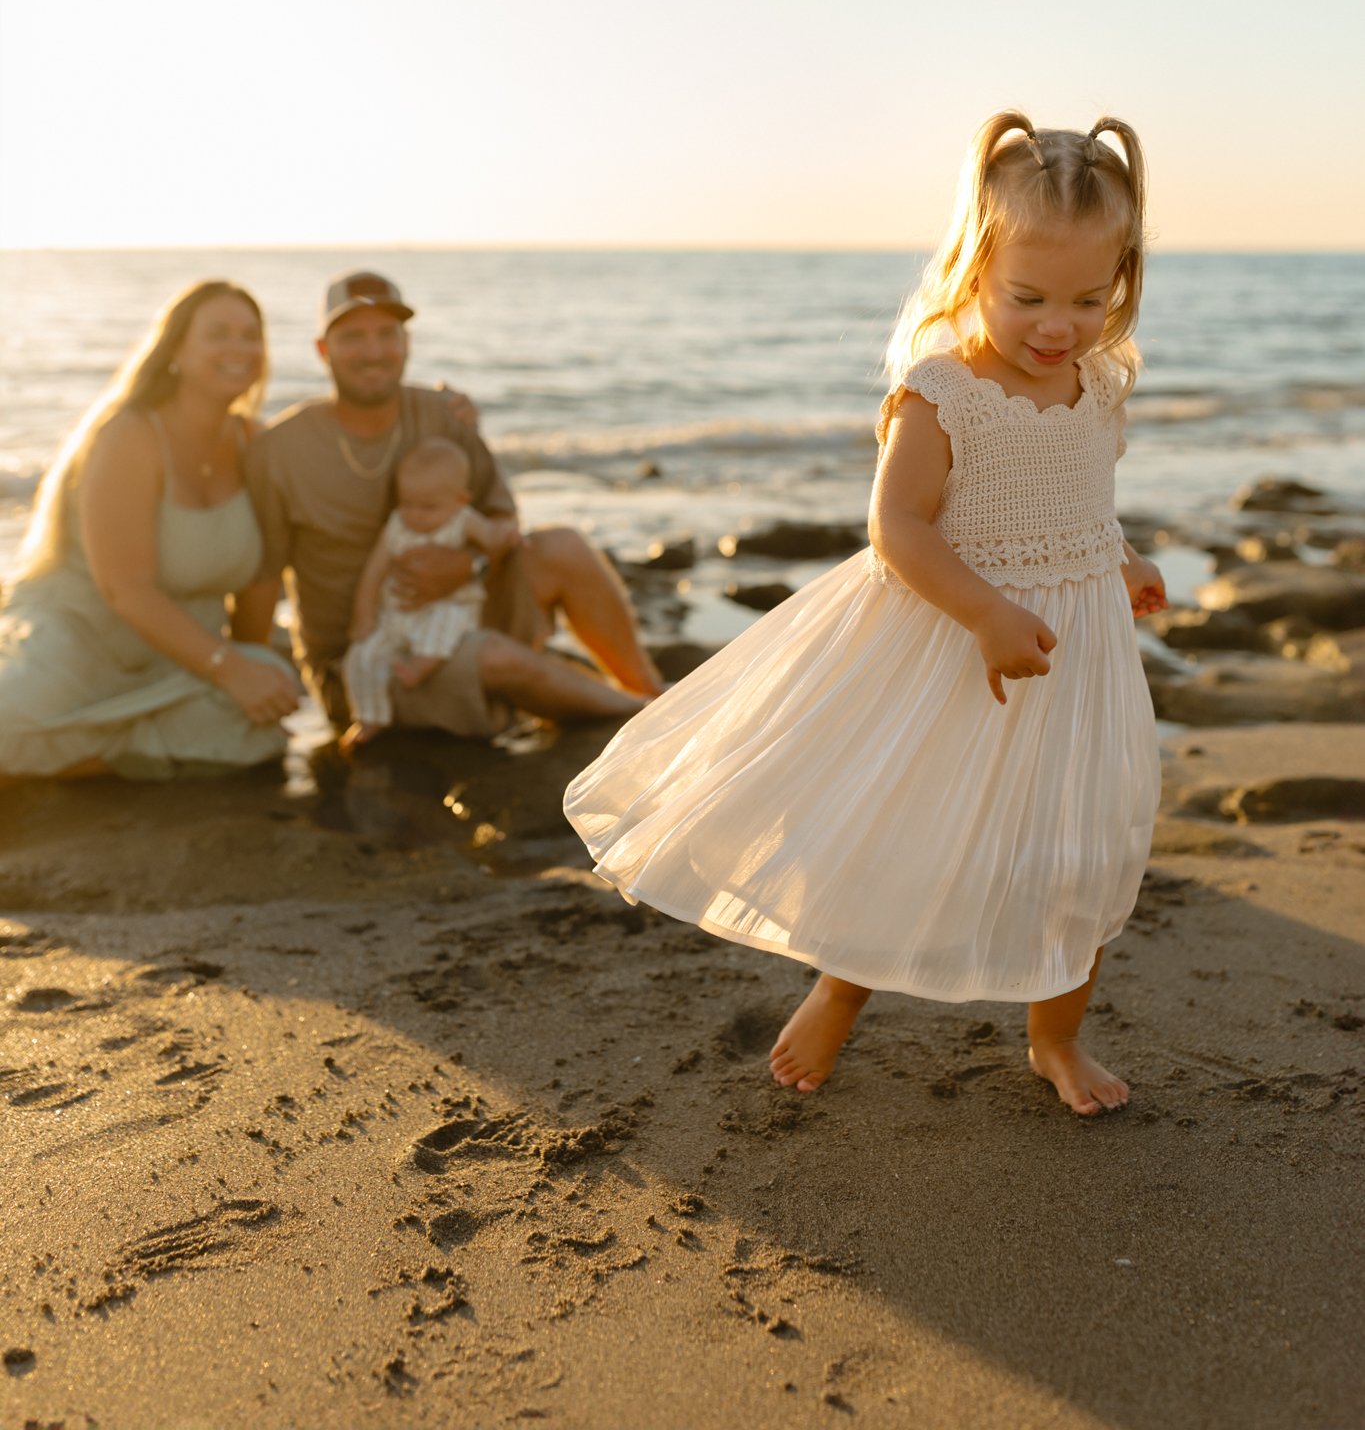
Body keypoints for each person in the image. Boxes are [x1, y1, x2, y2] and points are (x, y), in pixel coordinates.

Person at [565, 113, 1167, 1118]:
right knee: (909, 830)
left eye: (1087, 297)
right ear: (973, 265)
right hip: (953, 641)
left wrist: (1123, 555)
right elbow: (897, 527)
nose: (1056, 323)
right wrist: (984, 610)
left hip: (1075, 652)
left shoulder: (1099, 381)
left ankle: (1055, 1036)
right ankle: (842, 985)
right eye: (1027, 296)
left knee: (1081, 846)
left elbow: (1081, 501)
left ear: (1122, 280)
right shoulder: (943, 393)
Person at [240, 270, 663, 741]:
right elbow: (260, 581)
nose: (374, 351)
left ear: (407, 342)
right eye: (353, 337)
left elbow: (503, 519)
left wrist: (469, 564)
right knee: (495, 657)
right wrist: (245, 680)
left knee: (563, 546)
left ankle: (652, 693)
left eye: (388, 334)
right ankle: (649, 719)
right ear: (323, 350)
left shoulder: (442, 415)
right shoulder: (282, 449)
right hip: (370, 657)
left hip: (458, 612)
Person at [0, 281, 300, 780]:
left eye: (251, 336)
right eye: (218, 334)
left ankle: (94, 749)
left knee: (266, 709)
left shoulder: (254, 441)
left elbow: (261, 576)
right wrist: (230, 670)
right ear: (176, 350)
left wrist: (250, 666)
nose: (239, 349)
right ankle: (119, 747)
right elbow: (126, 589)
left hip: (181, 652)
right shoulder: (130, 434)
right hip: (84, 639)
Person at [341, 437, 519, 750]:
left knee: (446, 623)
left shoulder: (462, 520)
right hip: (395, 614)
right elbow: (374, 571)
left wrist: (505, 535)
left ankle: (422, 666)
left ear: (460, 500)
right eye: (407, 504)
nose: (416, 515)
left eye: (428, 507)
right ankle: (371, 716)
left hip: (446, 606)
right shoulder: (397, 525)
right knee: (361, 657)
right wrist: (364, 615)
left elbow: (492, 539)